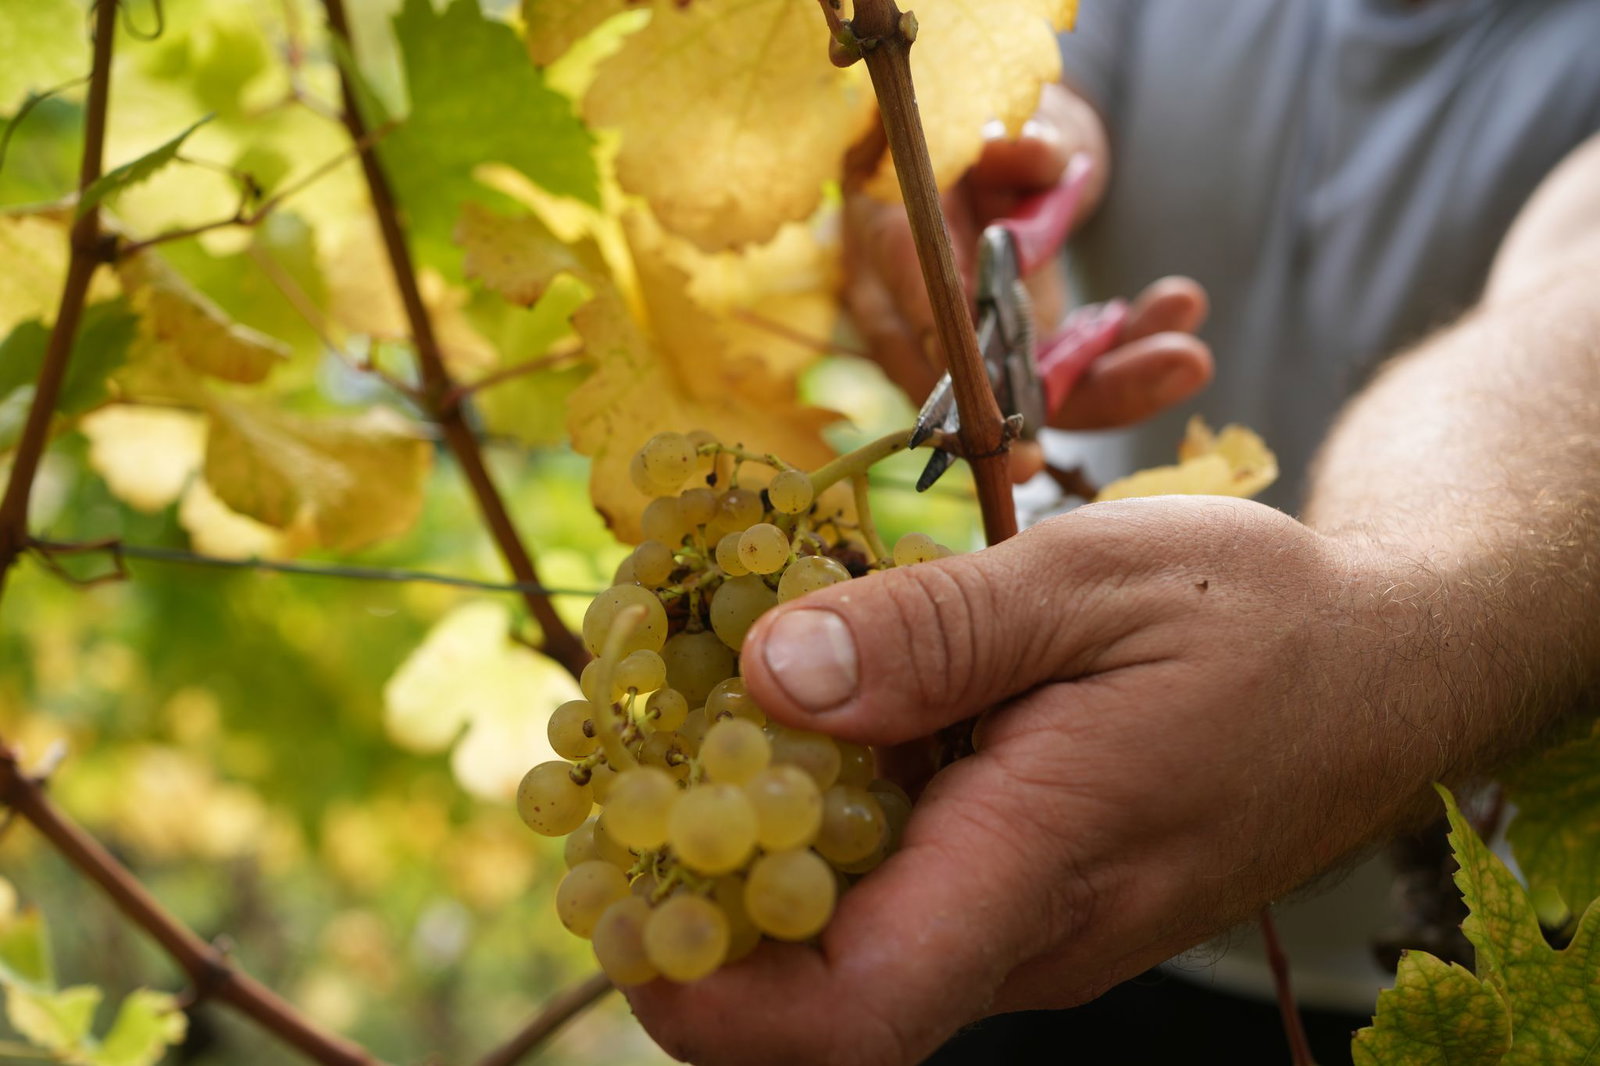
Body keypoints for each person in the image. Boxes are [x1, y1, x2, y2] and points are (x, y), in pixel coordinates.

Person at [626, 2, 1600, 1063]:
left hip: (1514, 941)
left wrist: (1390, 604)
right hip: (1037, 877)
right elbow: (1033, 74)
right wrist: (961, 160)